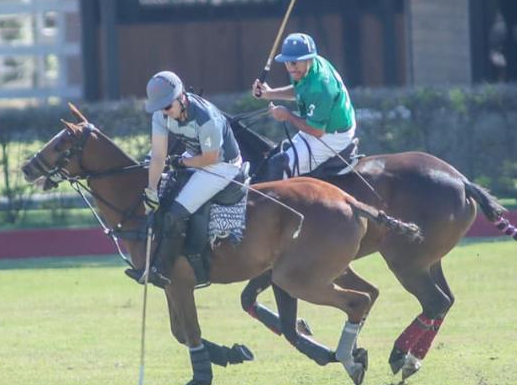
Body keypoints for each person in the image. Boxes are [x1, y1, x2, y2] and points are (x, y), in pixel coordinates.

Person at [130, 71, 242, 288]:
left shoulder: (206, 117)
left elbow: (210, 158)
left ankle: (167, 269)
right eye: (160, 108)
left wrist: (181, 163)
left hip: (223, 164)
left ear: (181, 97)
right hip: (194, 155)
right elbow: (159, 155)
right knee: (163, 197)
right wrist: (151, 190)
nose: (165, 112)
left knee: (175, 213)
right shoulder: (160, 116)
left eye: (167, 106)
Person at [250, 32, 356, 181]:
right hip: (323, 125)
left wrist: (287, 115)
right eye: (287, 62)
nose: (291, 67)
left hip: (332, 136)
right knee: (275, 154)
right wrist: (269, 93)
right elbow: (301, 91)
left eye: (295, 62)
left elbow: (317, 131)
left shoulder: (321, 86)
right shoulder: (309, 68)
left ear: (309, 59)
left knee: (279, 168)